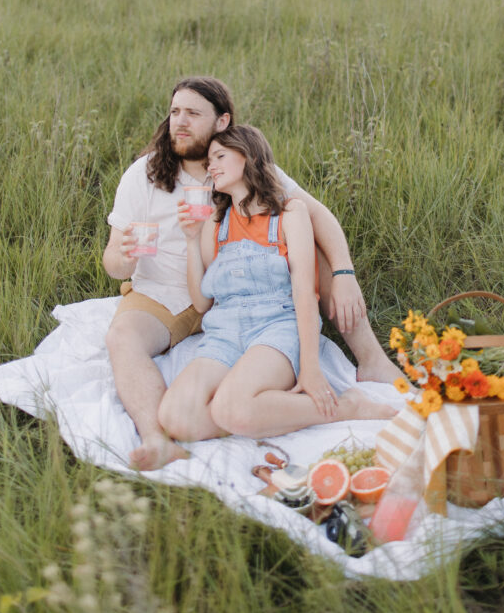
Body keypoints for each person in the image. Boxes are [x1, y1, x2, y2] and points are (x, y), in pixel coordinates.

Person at [103, 76, 399, 469]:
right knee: (122, 336)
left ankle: (371, 359)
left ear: (222, 122)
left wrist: (344, 273)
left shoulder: (235, 165)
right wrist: (125, 259)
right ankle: (158, 439)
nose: (180, 122)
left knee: (311, 248)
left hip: (245, 299)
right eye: (175, 112)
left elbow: (316, 215)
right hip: (168, 293)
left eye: (193, 113)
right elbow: (112, 260)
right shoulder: (144, 174)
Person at [158, 126, 396, 442]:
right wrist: (190, 241)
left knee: (231, 408)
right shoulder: (215, 223)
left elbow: (304, 294)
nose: (211, 166)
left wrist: (310, 367)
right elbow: (203, 304)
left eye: (220, 156)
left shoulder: (289, 213)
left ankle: (346, 407)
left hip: (275, 329)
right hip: (224, 333)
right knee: (175, 417)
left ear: (248, 157)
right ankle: (259, 412)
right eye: (209, 160)